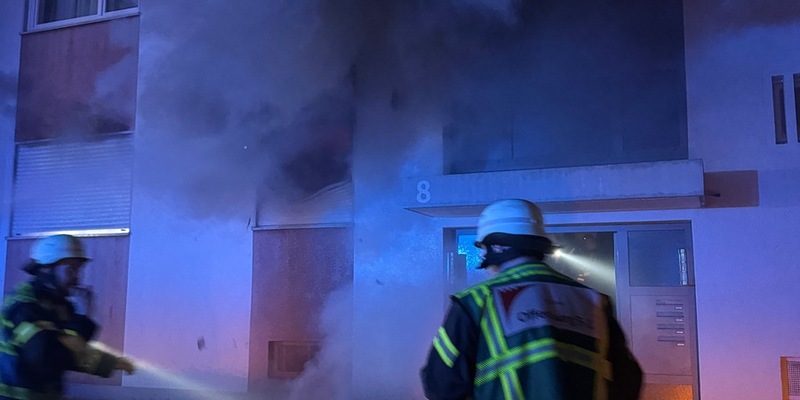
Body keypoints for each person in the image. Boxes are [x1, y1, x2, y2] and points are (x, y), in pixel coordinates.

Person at [421, 199, 642, 400]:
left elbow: (441, 384)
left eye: (483, 248)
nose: (482, 256)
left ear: (497, 246)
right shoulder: (594, 300)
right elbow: (628, 380)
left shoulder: (476, 302)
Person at [0, 234, 135, 399]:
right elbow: (48, 358)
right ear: (46, 269)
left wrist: (111, 363)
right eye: (70, 270)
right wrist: (82, 318)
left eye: (78, 270)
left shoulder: (58, 305)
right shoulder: (24, 306)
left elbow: (70, 351)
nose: (76, 278)